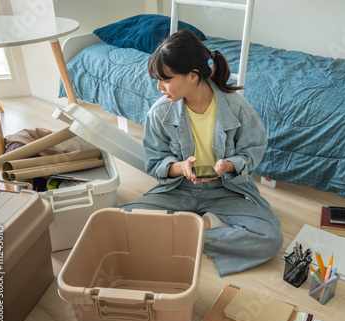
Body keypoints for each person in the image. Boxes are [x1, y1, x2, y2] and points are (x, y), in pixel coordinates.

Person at [120, 29, 283, 277]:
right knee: (122, 221)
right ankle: (204, 226)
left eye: (166, 79)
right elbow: (155, 161)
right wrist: (181, 167)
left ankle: (195, 227)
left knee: (270, 237)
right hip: (178, 189)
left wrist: (228, 166)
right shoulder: (159, 112)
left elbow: (252, 152)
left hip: (225, 190)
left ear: (193, 76)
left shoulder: (237, 108)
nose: (158, 86)